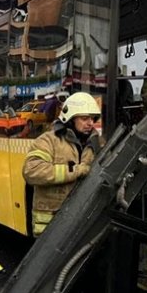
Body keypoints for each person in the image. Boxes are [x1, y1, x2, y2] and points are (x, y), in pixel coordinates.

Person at [23, 92, 101, 236]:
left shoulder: (97, 143)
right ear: (70, 118)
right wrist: (75, 171)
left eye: (92, 118)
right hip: (50, 230)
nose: (90, 123)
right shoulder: (48, 141)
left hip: (81, 223)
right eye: (84, 118)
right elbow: (31, 171)